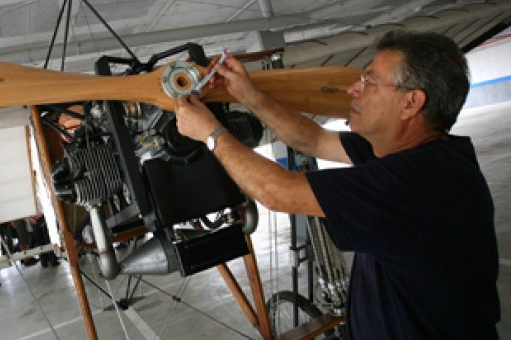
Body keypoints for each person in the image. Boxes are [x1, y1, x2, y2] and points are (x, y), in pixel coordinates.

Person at [174, 30, 500, 339]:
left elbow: (276, 193)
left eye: (369, 81)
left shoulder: (414, 183)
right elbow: (312, 138)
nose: (352, 89)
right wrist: (251, 96)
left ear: (411, 103)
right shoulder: (421, 155)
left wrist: (211, 134)